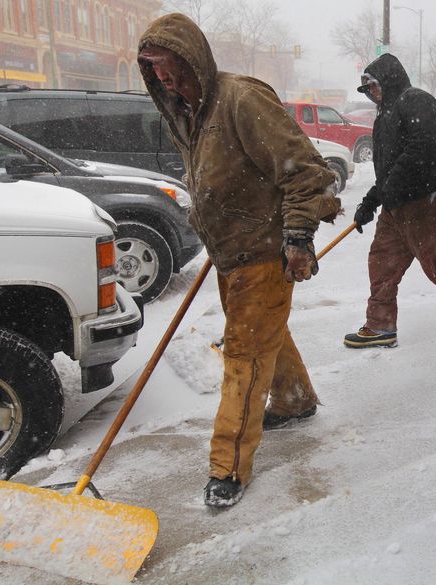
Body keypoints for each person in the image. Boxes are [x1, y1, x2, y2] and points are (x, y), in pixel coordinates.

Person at [137, 13, 340, 508]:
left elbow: (304, 172)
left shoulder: (240, 100)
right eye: (154, 70)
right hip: (231, 251)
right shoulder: (187, 109)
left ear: (195, 58)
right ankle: (293, 398)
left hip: (262, 251)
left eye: (172, 67)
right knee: (265, 332)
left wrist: (297, 238)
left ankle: (228, 465)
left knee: (244, 356)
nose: (165, 79)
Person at [345, 53, 436, 348]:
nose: (372, 93)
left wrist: (391, 187)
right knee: (382, 262)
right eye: (367, 89)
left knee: (435, 264)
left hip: (425, 201)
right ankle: (380, 325)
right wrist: (370, 202)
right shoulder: (385, 115)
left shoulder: (416, 101)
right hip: (395, 206)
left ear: (387, 79)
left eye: (373, 86)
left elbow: (422, 150)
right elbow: (387, 170)